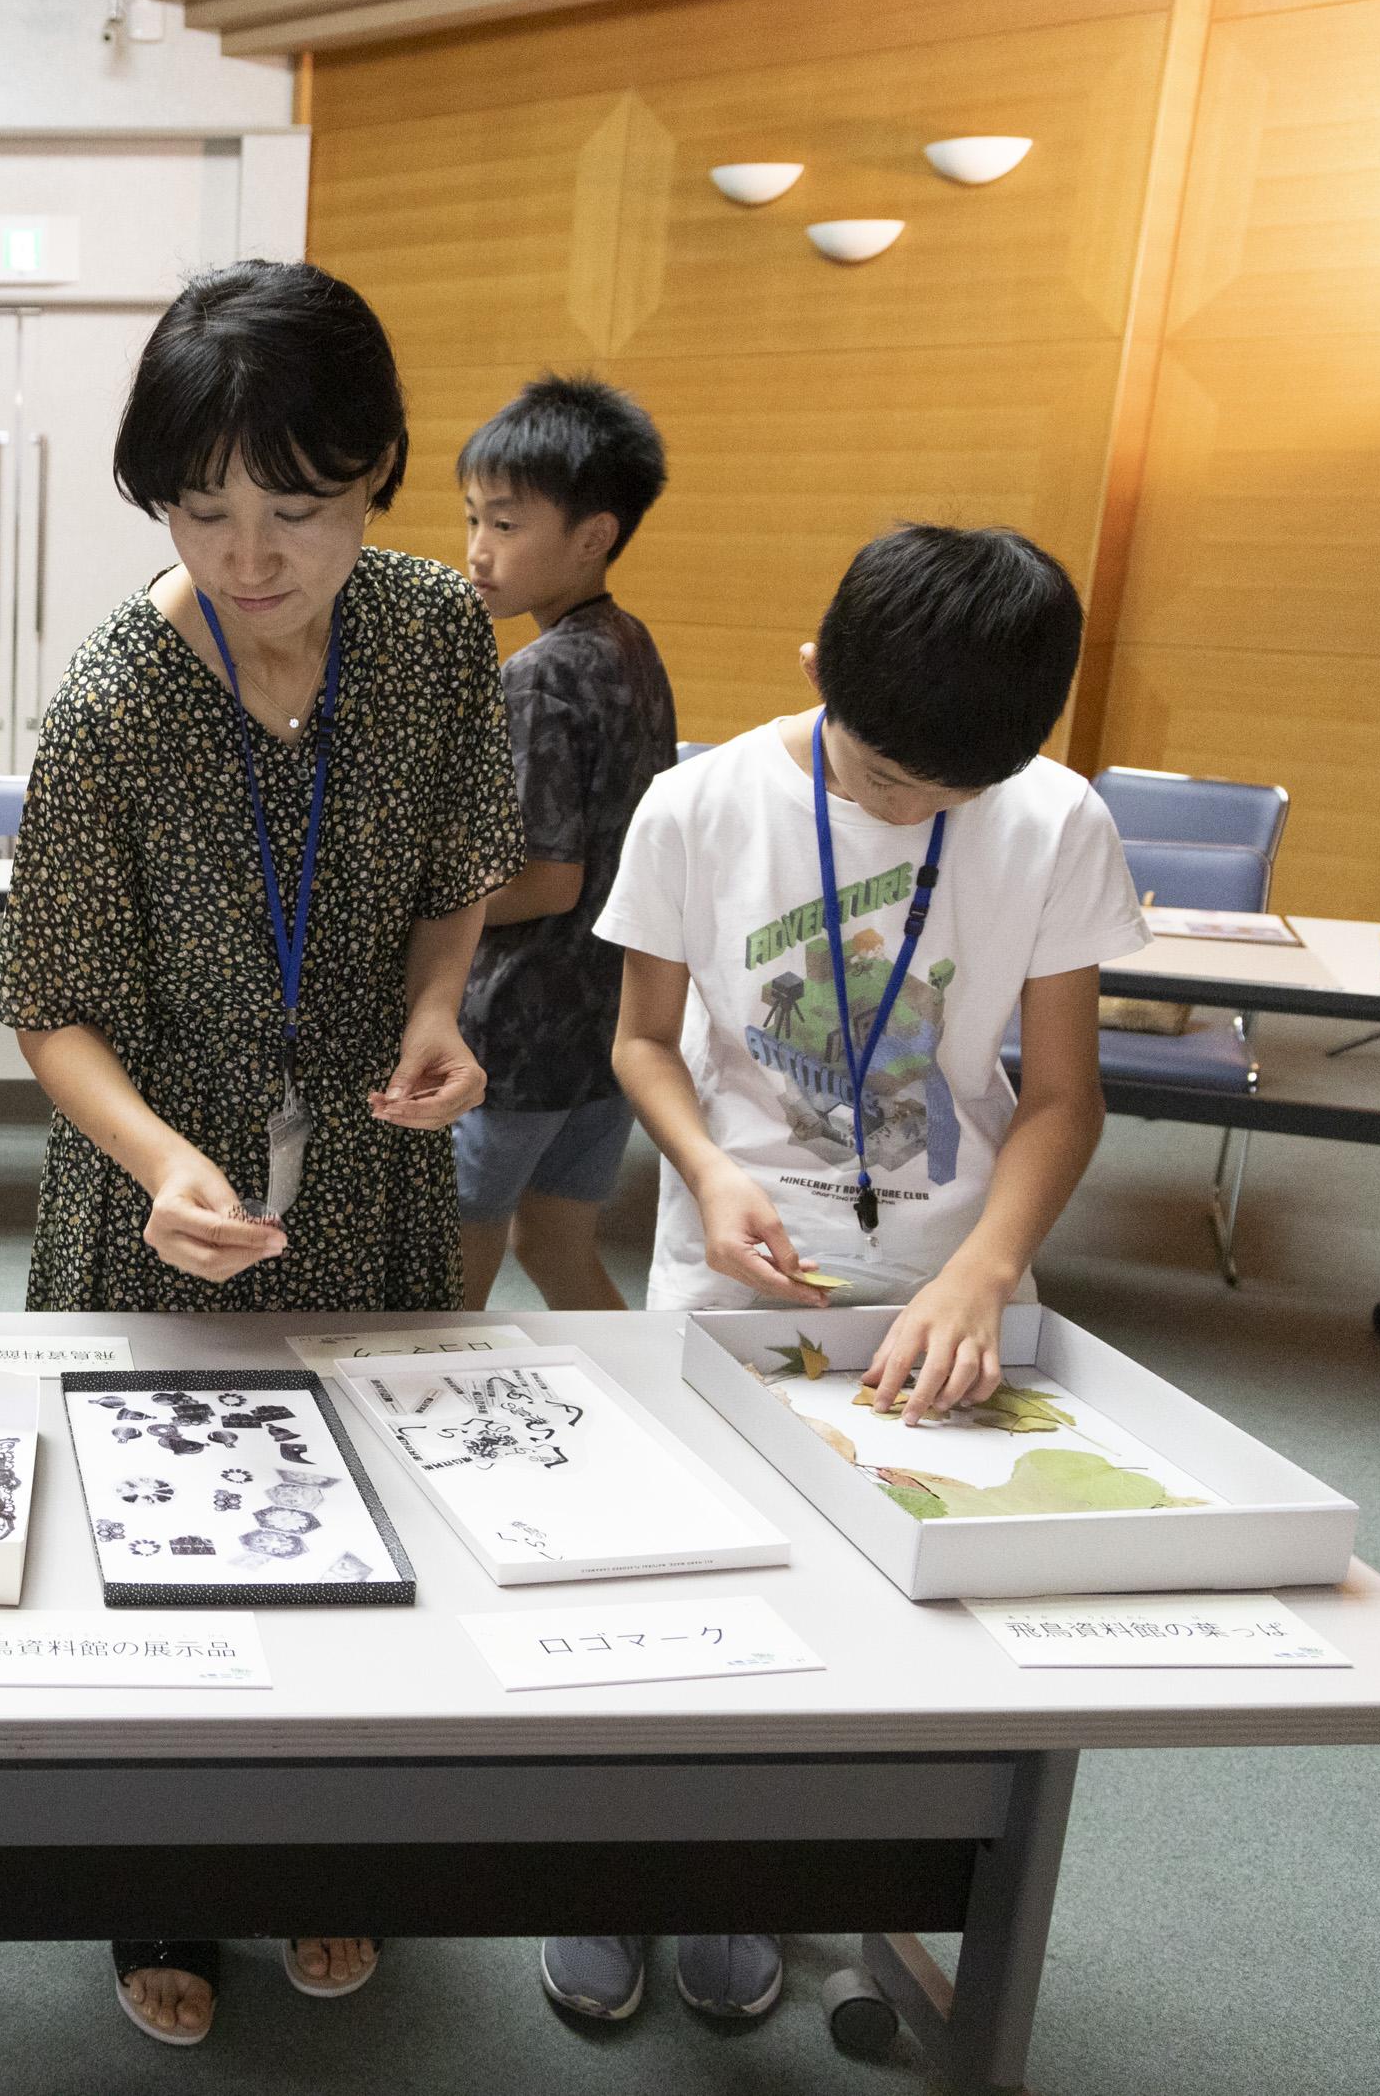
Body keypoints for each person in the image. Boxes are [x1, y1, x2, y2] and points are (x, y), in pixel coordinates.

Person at [0, 257, 524, 2045]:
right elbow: (52, 1005)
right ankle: (159, 1896)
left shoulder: (443, 635)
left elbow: (459, 875)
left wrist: (438, 1010)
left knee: (364, 1541)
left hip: (365, 1165)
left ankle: (328, 1859)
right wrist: (154, 1160)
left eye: (296, 507)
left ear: (378, 474)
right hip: (170, 1193)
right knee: (168, 1557)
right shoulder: (117, 703)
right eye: (202, 510)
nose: (249, 556)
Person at [563, 523, 1143, 2028]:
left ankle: (753, 1881)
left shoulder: (1053, 817)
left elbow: (1065, 1094)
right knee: (692, 1594)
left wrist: (987, 1265)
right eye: (890, 780)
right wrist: (706, 1166)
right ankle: (613, 1878)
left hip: (948, 1287)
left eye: (957, 793)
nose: (921, 808)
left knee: (879, 1628)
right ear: (815, 669)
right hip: (731, 1277)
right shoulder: (698, 806)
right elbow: (640, 1040)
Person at [451, 373, 675, 1310]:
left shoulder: (538, 674)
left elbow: (544, 879)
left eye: (505, 525)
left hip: (519, 1029)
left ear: (594, 537)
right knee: (559, 1252)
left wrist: (413, 900)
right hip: (606, 1024)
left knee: (445, 1275)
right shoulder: (631, 645)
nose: (476, 552)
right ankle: (647, 1421)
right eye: (472, 520)